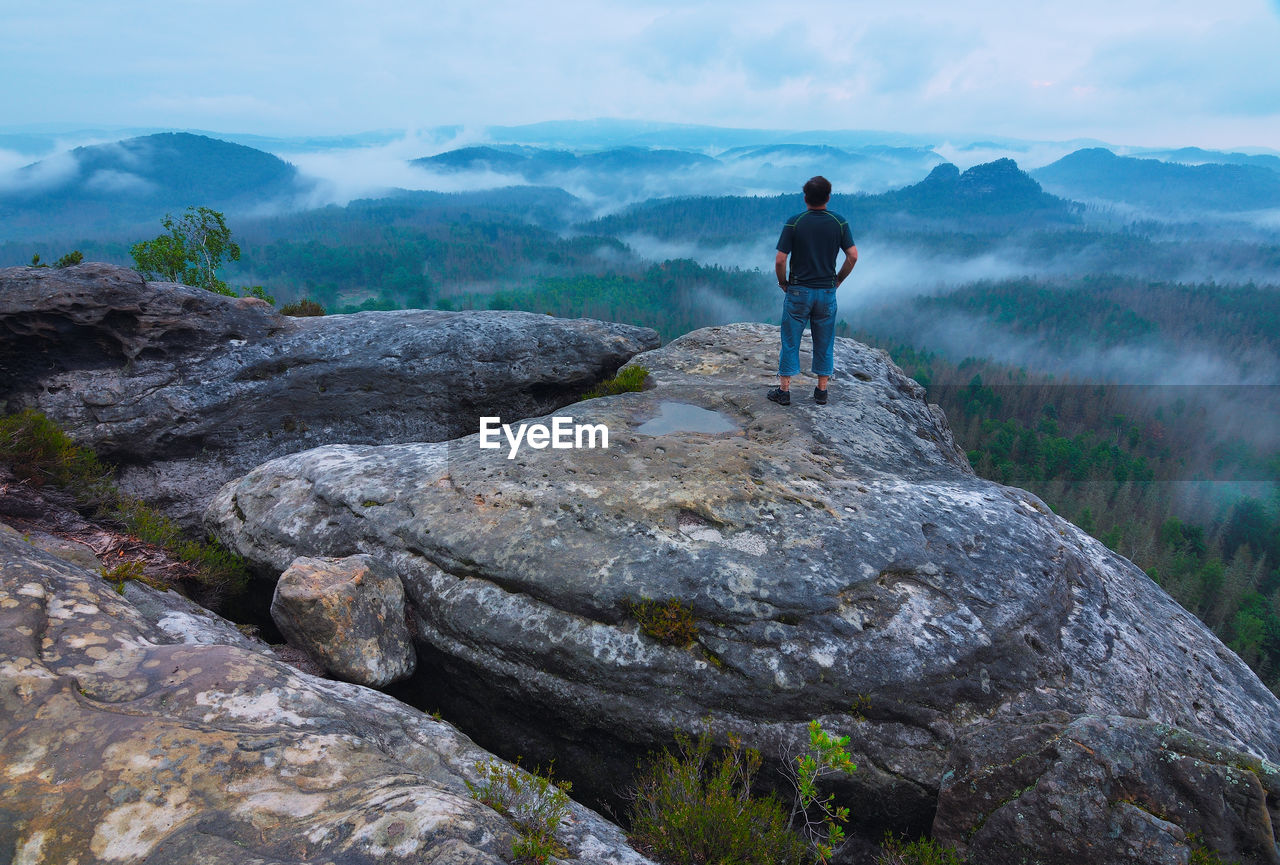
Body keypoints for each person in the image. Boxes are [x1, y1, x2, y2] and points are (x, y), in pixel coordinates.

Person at [768, 176, 857, 406]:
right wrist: (839, 279)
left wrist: (783, 282)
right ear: (828, 197)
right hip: (826, 291)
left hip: (798, 291)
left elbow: (780, 260)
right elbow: (853, 255)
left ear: (805, 197)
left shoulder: (795, 222)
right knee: (825, 341)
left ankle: (784, 391)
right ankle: (821, 391)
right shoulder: (839, 222)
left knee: (790, 341)